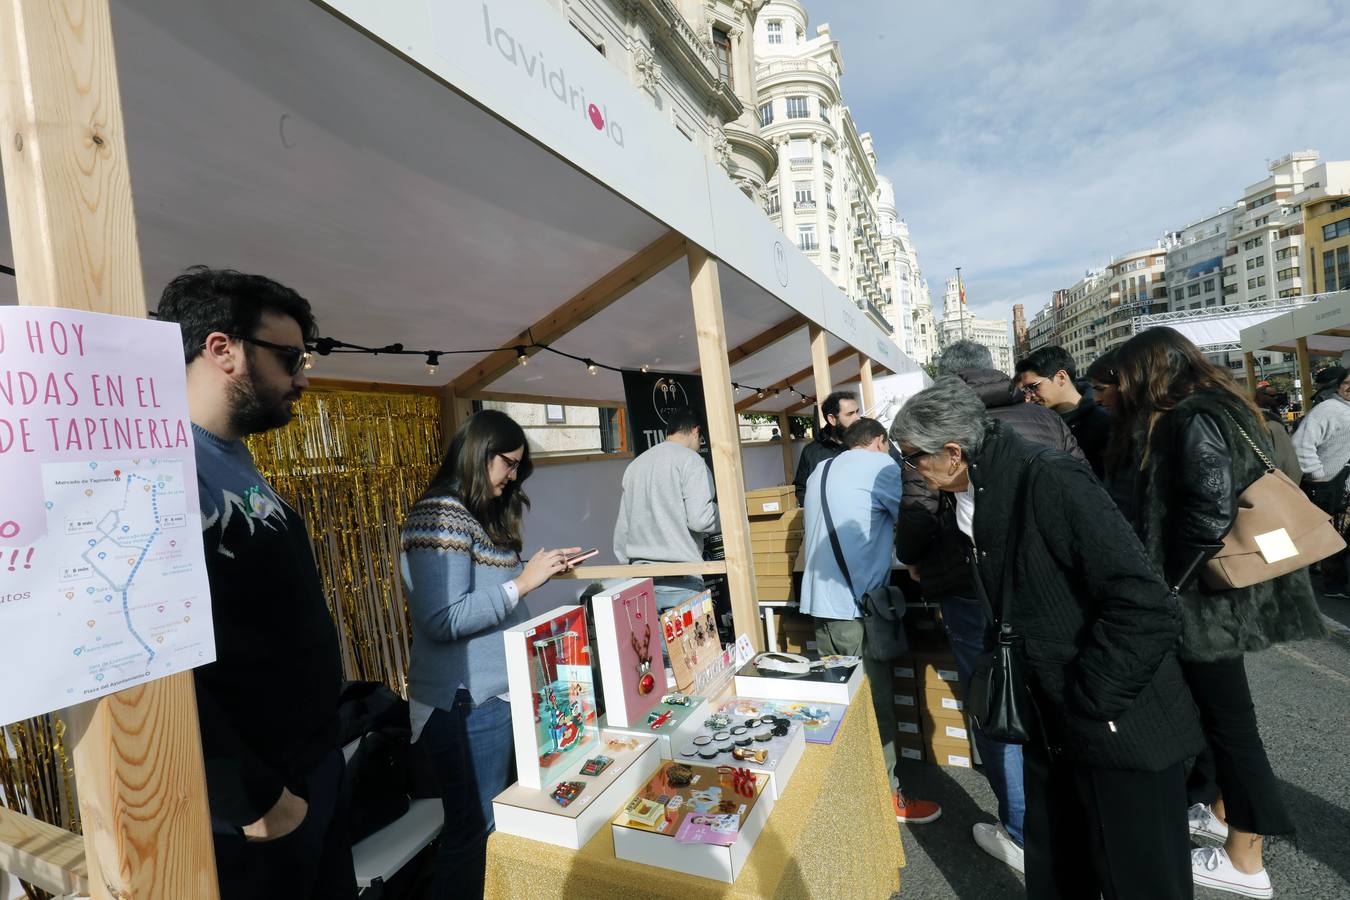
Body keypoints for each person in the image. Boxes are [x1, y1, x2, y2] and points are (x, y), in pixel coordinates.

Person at [892, 378, 1205, 900]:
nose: (911, 470)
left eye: (912, 459)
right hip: (1055, 723)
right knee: (1063, 868)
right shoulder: (981, 486)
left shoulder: (1049, 479)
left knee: (1139, 878)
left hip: (1117, 727)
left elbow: (1144, 603)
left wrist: (1092, 699)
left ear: (952, 452)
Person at [157, 267, 357, 900]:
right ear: (223, 350)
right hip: (258, 810)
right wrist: (251, 797)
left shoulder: (231, 458)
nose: (302, 377)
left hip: (308, 768)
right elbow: (155, 660)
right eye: (289, 356)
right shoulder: (159, 469)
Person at [1110, 327, 1325, 898]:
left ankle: (1246, 859)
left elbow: (1208, 509)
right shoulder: (1224, 406)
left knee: (1232, 726)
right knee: (1224, 720)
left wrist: (1167, 588)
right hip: (1215, 595)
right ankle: (1228, 821)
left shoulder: (1190, 417)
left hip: (1202, 600)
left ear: (1151, 371)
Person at [895, 339, 1083, 870]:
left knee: (997, 702)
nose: (917, 464)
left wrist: (915, 559)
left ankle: (1022, 829)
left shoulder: (936, 429)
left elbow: (916, 509)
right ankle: (1063, 816)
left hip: (971, 587)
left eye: (916, 460)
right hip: (1050, 589)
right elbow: (1084, 484)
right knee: (1050, 693)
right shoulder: (1039, 415)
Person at [401, 410, 579, 898]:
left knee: (489, 827)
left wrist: (537, 570)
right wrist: (523, 582)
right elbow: (442, 619)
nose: (514, 476)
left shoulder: (473, 514)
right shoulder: (438, 516)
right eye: (509, 463)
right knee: (472, 832)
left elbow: (486, 588)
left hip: (494, 698)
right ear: (480, 454)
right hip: (464, 703)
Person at [800, 418, 941, 825]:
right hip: (856, 608)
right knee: (875, 705)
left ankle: (848, 789)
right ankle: (887, 799)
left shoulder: (821, 468)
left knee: (839, 704)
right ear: (880, 442)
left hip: (821, 605)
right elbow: (915, 515)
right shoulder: (881, 467)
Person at [613, 407, 720, 610]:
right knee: (691, 641)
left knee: (653, 642)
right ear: (696, 432)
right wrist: (731, 518)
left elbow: (623, 529)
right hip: (681, 578)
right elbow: (701, 519)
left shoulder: (635, 466)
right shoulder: (691, 461)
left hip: (640, 580)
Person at [1292, 366, 1350, 600]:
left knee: (1338, 536)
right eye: (1347, 383)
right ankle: (1332, 585)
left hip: (1342, 486)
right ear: (1339, 385)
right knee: (1331, 537)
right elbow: (1300, 444)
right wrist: (1317, 475)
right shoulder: (1329, 409)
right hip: (1328, 486)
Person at [1015, 345, 1113, 477]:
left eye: (1033, 387)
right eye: (1025, 390)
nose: (1029, 395)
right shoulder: (1038, 423)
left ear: (1061, 377)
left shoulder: (1104, 420)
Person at [792, 390, 860, 504]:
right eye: (850, 414)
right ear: (832, 419)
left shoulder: (870, 443)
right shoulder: (811, 452)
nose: (857, 418)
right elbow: (801, 490)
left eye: (857, 412)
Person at [1252, 381, 1302, 482]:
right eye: (1272, 395)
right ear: (1260, 397)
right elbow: (1289, 464)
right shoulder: (1271, 423)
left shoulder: (1257, 417)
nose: (1277, 398)